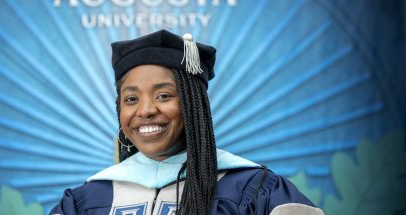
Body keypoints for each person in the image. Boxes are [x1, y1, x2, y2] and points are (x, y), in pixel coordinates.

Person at [49, 29, 324, 215]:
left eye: (164, 95)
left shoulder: (254, 189)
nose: (145, 110)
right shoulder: (86, 200)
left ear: (194, 106)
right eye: (131, 99)